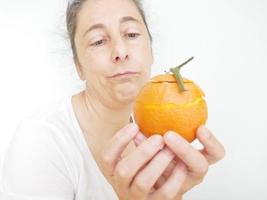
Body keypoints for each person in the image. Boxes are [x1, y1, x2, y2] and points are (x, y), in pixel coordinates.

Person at [0, 0, 225, 199]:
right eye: (98, 41)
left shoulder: (159, 138)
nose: (120, 51)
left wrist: (173, 196)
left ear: (151, 51)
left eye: (131, 34)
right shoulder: (40, 141)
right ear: (78, 66)